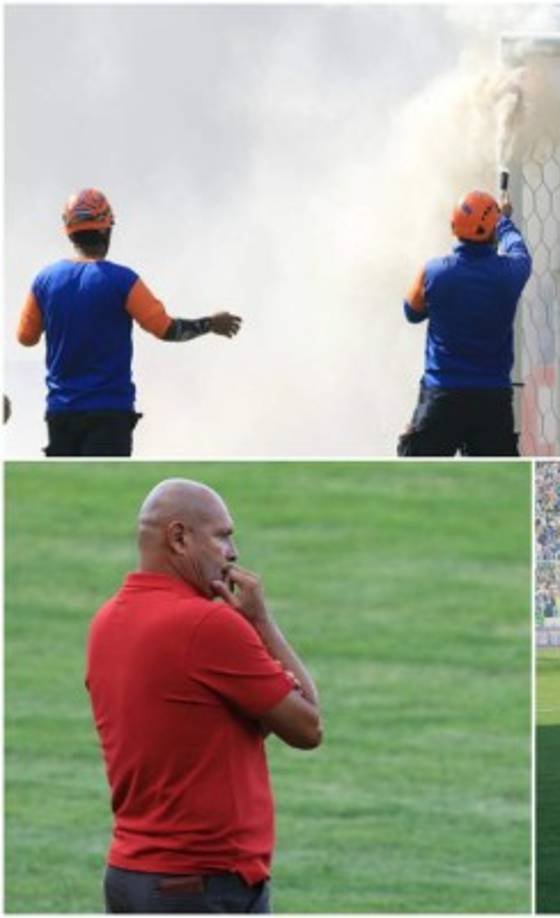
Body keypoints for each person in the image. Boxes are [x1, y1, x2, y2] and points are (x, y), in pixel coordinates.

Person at [86, 479, 322, 913]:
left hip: (132, 877)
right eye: (222, 536)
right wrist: (261, 622)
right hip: (201, 884)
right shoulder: (208, 625)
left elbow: (200, 730)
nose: (233, 553)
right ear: (179, 538)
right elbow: (308, 726)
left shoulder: (107, 622)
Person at [17, 188, 242, 457]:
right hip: (110, 414)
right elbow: (167, 329)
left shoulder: (44, 281)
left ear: (69, 231)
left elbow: (26, 338)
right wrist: (210, 324)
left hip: (61, 414)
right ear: (106, 229)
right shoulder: (123, 281)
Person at [399, 189, 532, 457]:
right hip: (492, 400)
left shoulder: (434, 272)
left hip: (441, 395)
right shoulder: (511, 273)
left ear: (453, 227)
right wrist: (504, 221)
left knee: (419, 475)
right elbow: (518, 247)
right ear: (492, 230)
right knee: (496, 478)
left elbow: (411, 313)